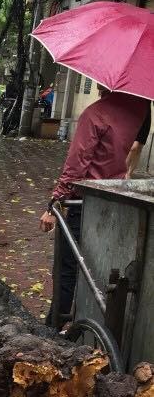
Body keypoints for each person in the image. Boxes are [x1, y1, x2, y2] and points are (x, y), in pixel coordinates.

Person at [39, 87, 148, 324]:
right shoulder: (139, 110)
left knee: (68, 268)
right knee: (101, 266)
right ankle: (90, 320)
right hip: (115, 199)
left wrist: (54, 202)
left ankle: (54, 326)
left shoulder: (95, 114)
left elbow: (76, 166)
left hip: (85, 203)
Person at [125, 102, 151, 179]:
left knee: (139, 148)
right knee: (133, 147)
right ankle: (124, 171)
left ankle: (129, 173)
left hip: (146, 116)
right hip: (134, 115)